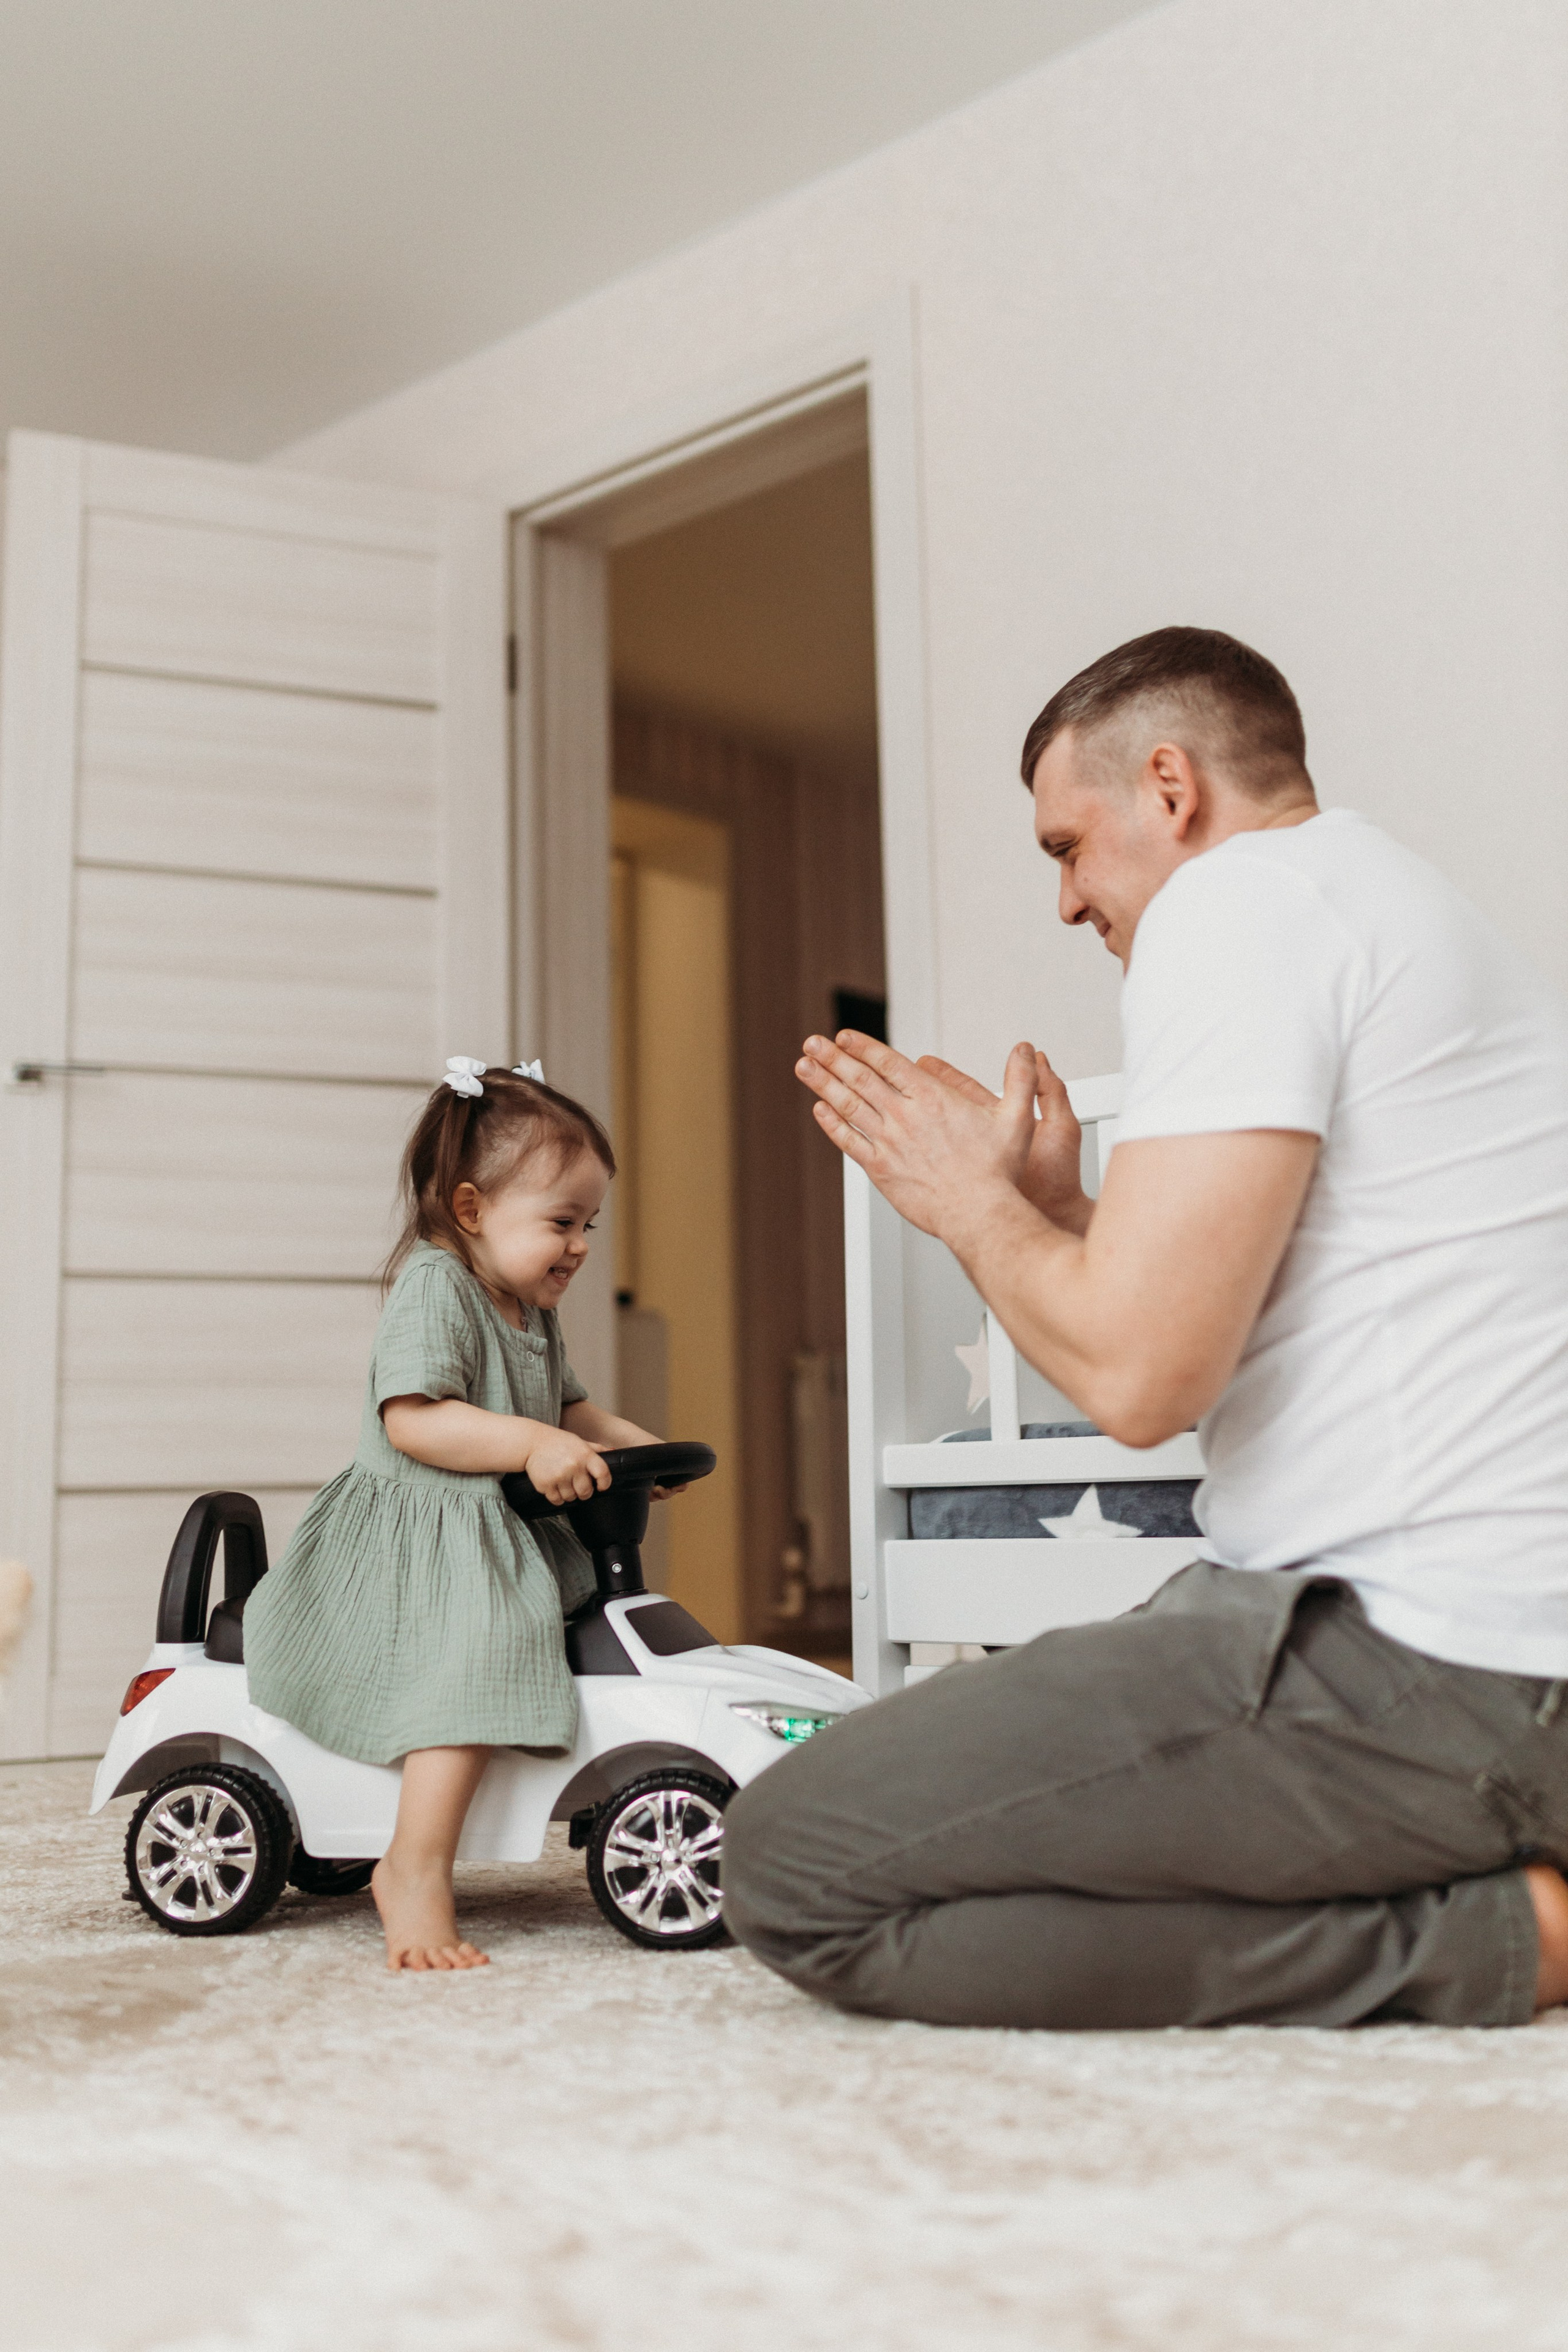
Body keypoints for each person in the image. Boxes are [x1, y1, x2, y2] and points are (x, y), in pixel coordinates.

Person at [722, 625, 1568, 2030]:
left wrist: (960, 1203)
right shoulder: (1366, 898)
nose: (1065, 898)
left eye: (1067, 843)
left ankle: (1500, 1941)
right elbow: (1189, 1347)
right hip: (1467, 1647)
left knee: (792, 1863)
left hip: (1438, 1667)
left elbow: (1136, 1380)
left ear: (1167, 788)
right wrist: (1053, 1223)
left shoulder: (1240, 905)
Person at [245, 1059, 667, 1973]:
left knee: (584, 1608)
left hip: (490, 1530)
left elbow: (567, 1409)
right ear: (472, 1210)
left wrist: (633, 1449)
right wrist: (528, 1446)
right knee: (476, 1651)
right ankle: (414, 1865)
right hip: (415, 1537)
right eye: (561, 1222)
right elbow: (415, 1420)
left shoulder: (530, 1307)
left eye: (589, 1224)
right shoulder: (437, 1286)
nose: (581, 1246)